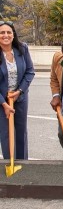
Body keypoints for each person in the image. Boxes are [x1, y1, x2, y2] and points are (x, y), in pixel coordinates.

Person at [0, 21, 35, 160]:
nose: (6, 35)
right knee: (6, 133)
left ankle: (22, 164)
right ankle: (10, 164)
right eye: (2, 33)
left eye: (9, 32)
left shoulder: (22, 49)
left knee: (21, 132)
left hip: (20, 97)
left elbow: (30, 72)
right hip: (2, 100)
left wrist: (20, 91)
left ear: (13, 34)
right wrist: (4, 104)